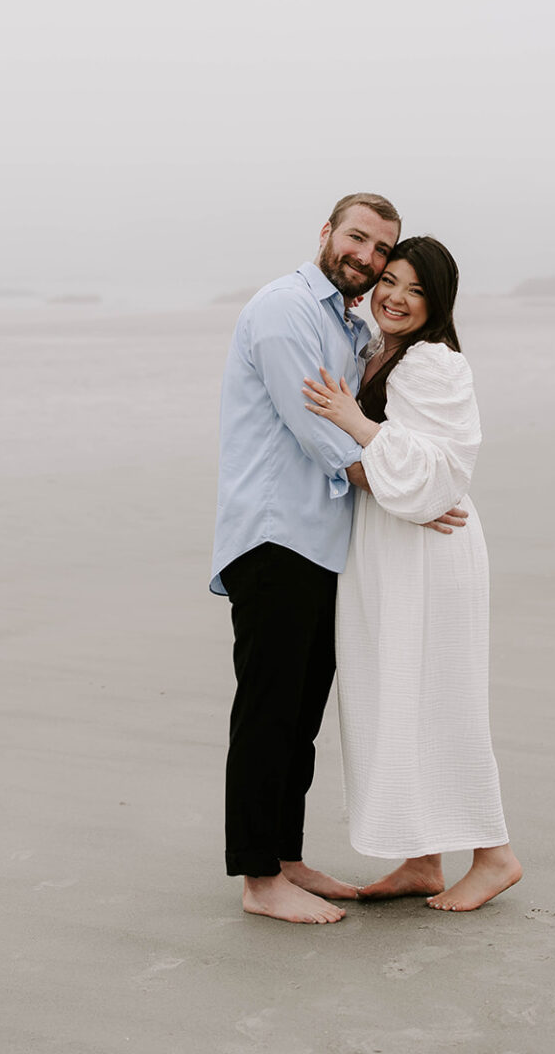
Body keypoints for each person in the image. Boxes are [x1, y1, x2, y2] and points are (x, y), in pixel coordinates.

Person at [211, 196, 467, 925]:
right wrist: (412, 495)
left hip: (322, 543)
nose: (367, 255)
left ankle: (285, 857)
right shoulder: (286, 309)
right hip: (274, 534)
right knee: (267, 710)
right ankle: (259, 879)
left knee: (299, 713)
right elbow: (321, 434)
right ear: (326, 234)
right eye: (356, 237)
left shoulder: (346, 320)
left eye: (380, 248)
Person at [304, 236, 522, 911]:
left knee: (439, 696)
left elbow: (443, 471)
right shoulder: (382, 350)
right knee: (396, 697)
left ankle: (494, 854)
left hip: (431, 550)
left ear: (438, 303)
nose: (395, 297)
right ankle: (422, 858)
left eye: (416, 289)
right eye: (389, 281)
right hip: (392, 543)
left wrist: (355, 424)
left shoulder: (432, 363)